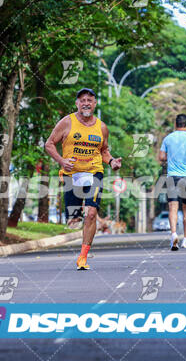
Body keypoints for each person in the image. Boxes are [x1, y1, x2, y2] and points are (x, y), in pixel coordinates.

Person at [44, 88, 121, 270]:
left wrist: (111, 161)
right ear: (77, 103)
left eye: (90, 100)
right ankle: (75, 217)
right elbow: (49, 144)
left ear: (94, 104)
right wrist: (62, 160)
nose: (86, 103)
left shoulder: (101, 127)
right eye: (82, 100)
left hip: (94, 172)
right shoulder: (67, 123)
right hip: (72, 174)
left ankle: (83, 257)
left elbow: (103, 151)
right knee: (73, 219)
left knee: (91, 214)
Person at [158, 114, 186, 250]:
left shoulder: (168, 138)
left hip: (172, 177)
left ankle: (173, 235)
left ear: (175, 124)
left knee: (173, 207)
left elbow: (161, 157)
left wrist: (168, 159)